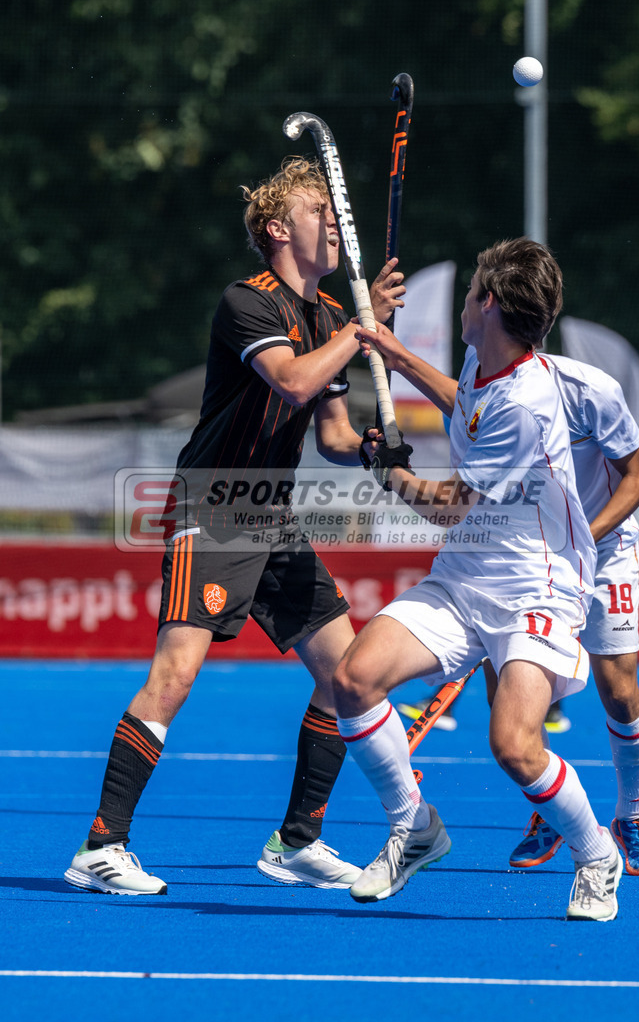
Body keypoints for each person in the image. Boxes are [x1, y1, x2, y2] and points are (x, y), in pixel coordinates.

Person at [63, 156, 405, 895]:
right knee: (176, 674)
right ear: (278, 228)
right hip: (213, 506)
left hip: (271, 514)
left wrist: (374, 450)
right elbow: (293, 380)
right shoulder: (246, 302)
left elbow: (332, 435)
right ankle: (101, 845)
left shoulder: (329, 318)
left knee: (347, 676)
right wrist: (364, 327)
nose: (335, 226)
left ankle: (296, 842)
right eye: (319, 212)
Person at [332, 238, 626, 922]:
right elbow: (465, 401)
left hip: (536, 587)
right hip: (465, 577)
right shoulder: (487, 357)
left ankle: (595, 855)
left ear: (487, 304)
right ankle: (414, 827)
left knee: (514, 747)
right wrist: (398, 356)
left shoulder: (525, 405)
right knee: (352, 681)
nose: (462, 304)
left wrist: (385, 470)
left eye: (469, 294)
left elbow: (446, 507)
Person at [494, 354, 639, 876]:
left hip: (604, 546)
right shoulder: (483, 382)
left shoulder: (590, 389)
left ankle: (634, 815)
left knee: (619, 690)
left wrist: (581, 542)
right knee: (518, 692)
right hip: (534, 555)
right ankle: (551, 811)